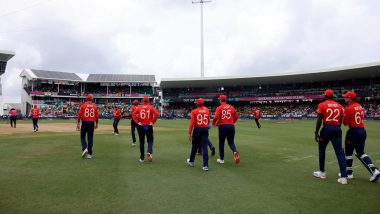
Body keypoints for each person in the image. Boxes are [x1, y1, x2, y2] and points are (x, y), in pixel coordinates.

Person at [342, 91, 380, 182]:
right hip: (362, 130)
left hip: (353, 131)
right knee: (360, 152)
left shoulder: (348, 108)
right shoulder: (360, 106)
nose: (344, 98)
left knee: (348, 153)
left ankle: (349, 173)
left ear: (350, 98)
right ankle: (374, 170)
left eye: (346, 97)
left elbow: (345, 123)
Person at [313, 89, 348, 184]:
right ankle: (344, 177)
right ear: (333, 96)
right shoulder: (340, 106)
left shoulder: (322, 105)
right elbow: (341, 119)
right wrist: (337, 127)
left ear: (325, 96)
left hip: (327, 129)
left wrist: (316, 132)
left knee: (322, 150)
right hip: (337, 129)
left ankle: (322, 172)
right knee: (339, 152)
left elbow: (319, 120)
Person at [213, 95, 240, 164]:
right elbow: (236, 117)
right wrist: (231, 122)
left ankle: (221, 159)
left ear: (220, 100)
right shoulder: (231, 107)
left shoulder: (219, 107)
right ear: (225, 100)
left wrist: (214, 123)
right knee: (231, 142)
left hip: (222, 127)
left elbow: (216, 117)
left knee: (221, 143)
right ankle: (235, 152)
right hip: (231, 126)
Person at [132, 96, 159, 162]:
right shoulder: (151, 107)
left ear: (142, 101)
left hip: (141, 126)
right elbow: (157, 114)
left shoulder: (139, 107)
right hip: (148, 126)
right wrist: (152, 122)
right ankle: (149, 151)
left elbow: (133, 114)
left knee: (141, 142)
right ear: (148, 101)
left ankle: (142, 158)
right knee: (150, 140)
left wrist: (138, 122)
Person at [187, 98, 211, 171]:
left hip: (197, 130)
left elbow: (192, 123)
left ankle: (191, 161)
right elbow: (208, 120)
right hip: (205, 129)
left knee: (194, 146)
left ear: (197, 104)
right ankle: (205, 166)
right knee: (204, 147)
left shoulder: (194, 111)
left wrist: (189, 133)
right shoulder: (207, 110)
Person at [77, 95, 99, 159]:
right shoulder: (94, 106)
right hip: (91, 123)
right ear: (92, 99)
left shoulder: (83, 105)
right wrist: (97, 123)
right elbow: (97, 116)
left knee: (82, 137)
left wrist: (78, 123)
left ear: (86, 99)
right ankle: (90, 154)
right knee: (90, 138)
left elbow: (79, 115)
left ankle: (84, 148)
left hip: (84, 122)